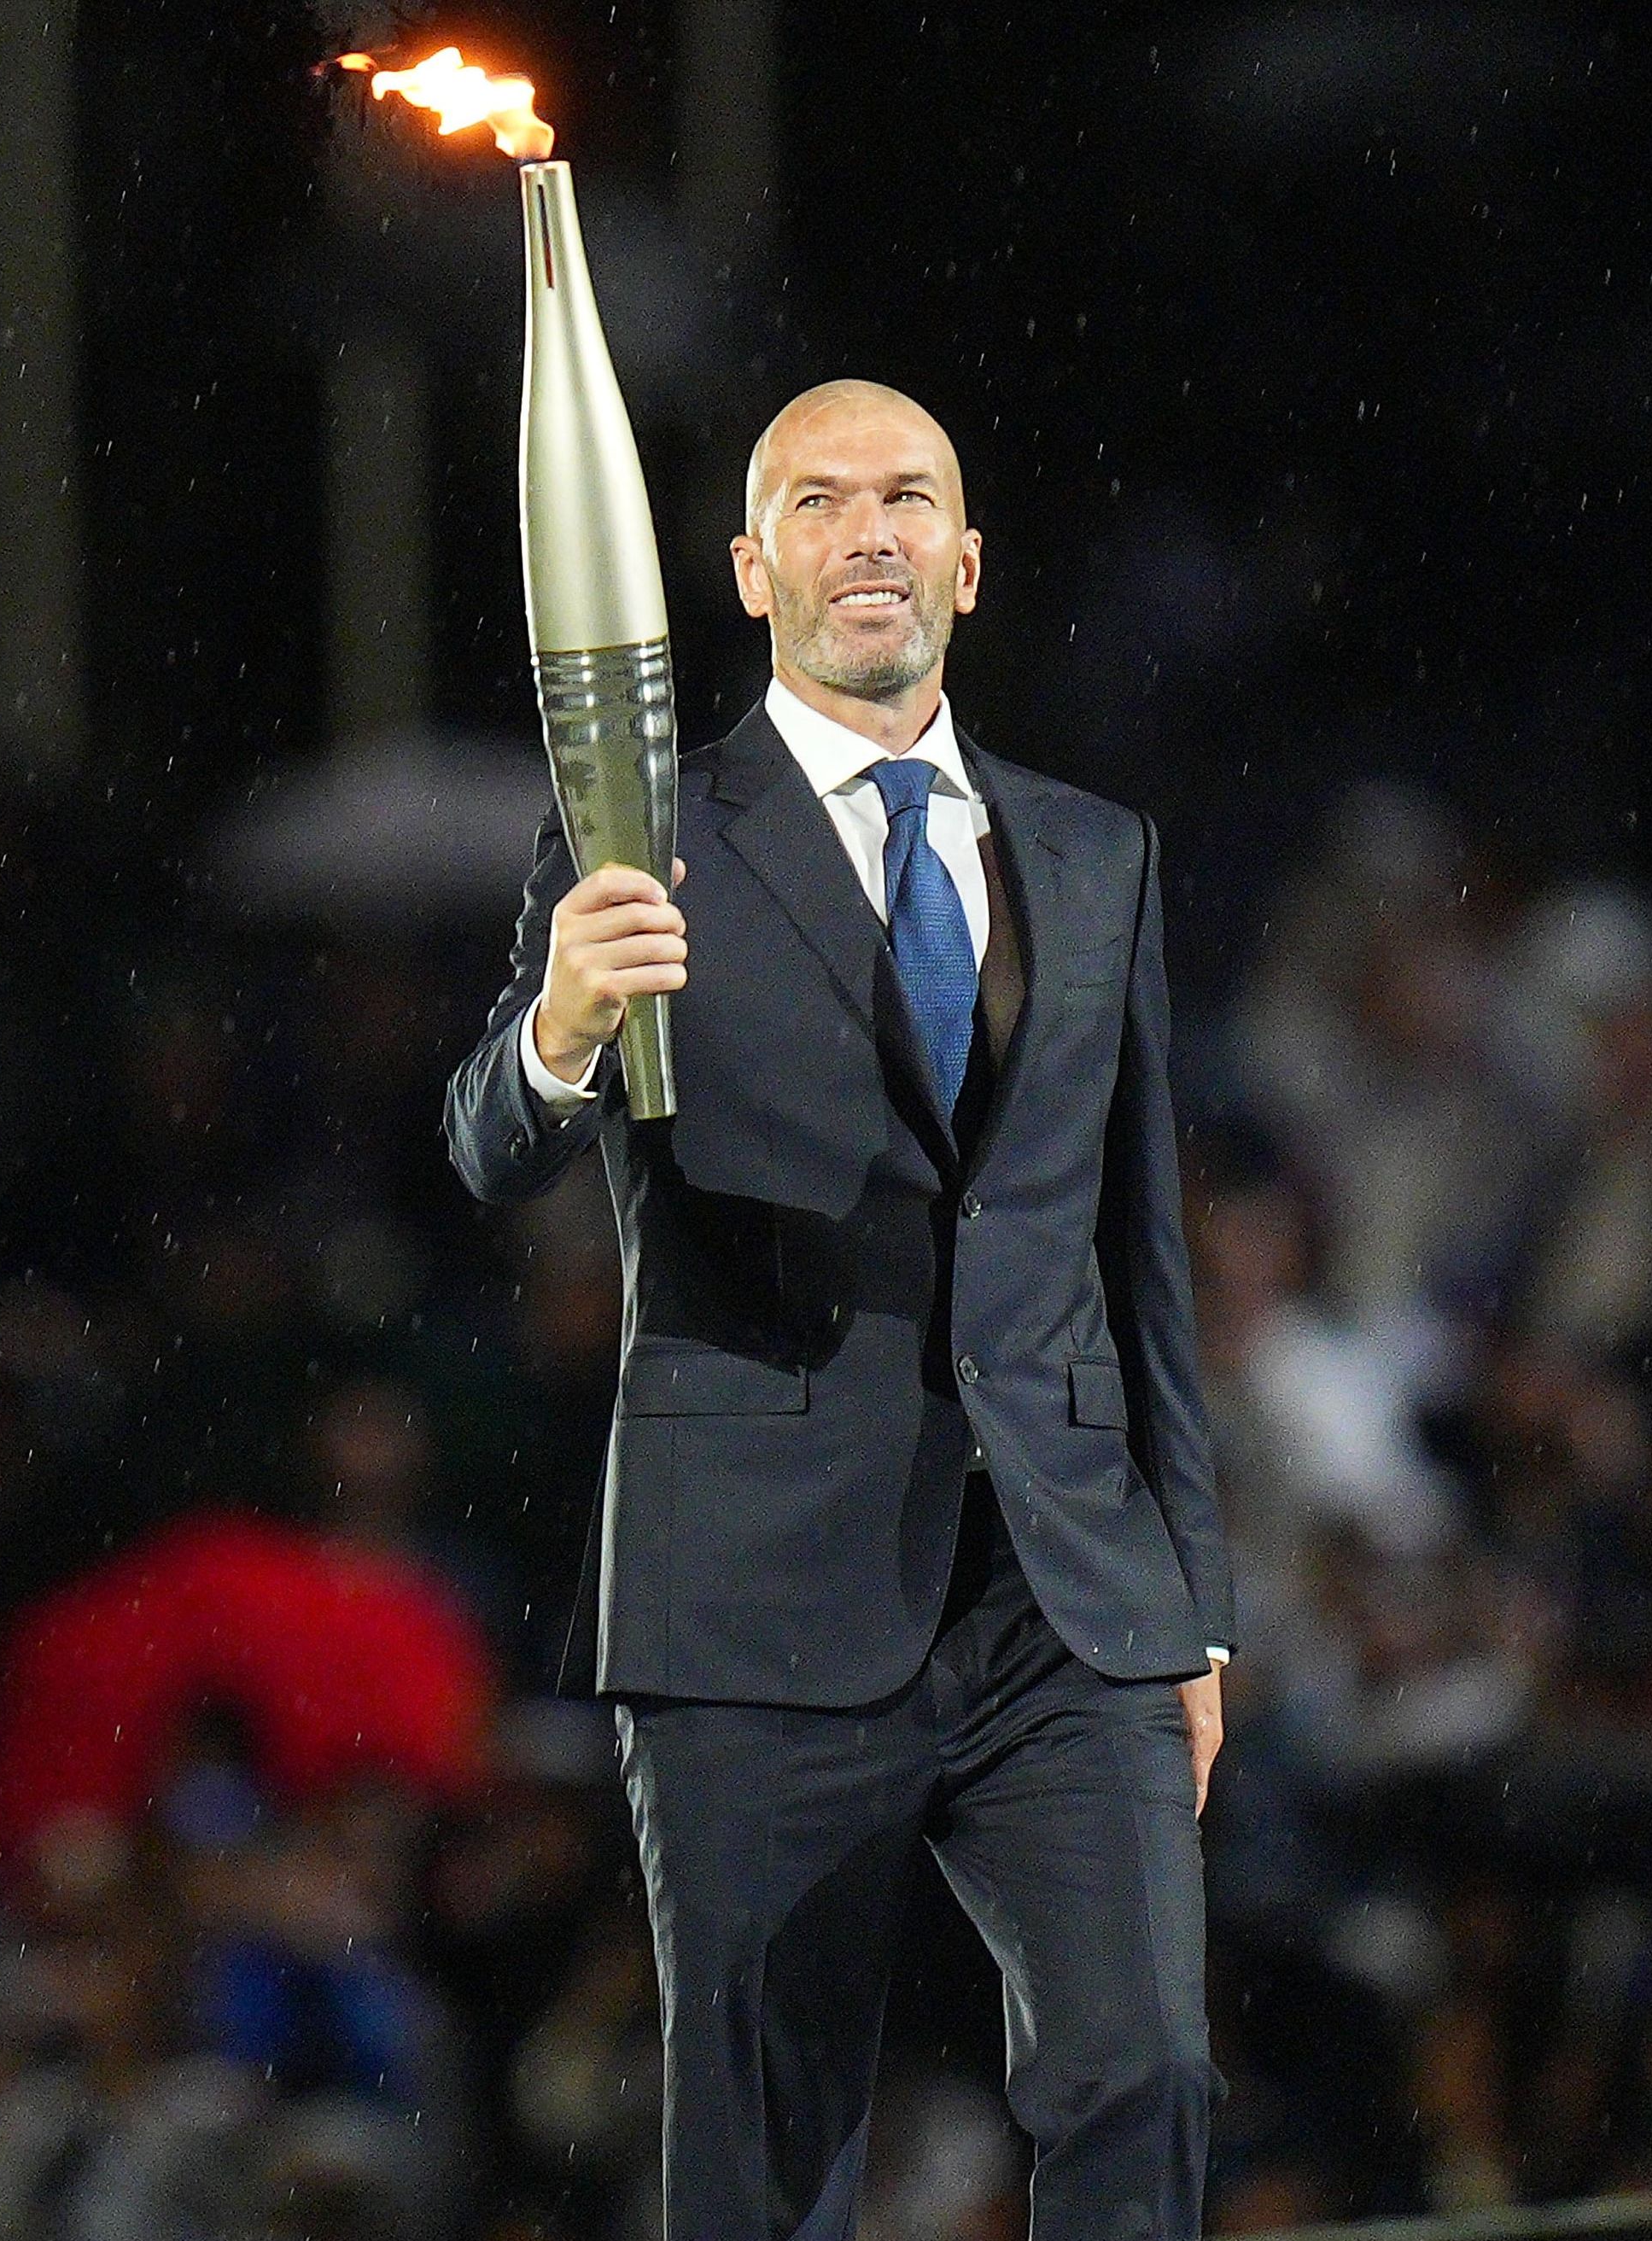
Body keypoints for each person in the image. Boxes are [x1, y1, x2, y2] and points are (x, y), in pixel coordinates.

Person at [443, 379, 1237, 2239]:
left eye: (907, 498)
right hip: (754, 1612)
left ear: (968, 558)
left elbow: (1145, 1258)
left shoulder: (1095, 853)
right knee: (769, 2159)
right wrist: (558, 1028)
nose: (867, 531)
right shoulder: (639, 838)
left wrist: (1190, 1603)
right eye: (817, 501)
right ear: (745, 566)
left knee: (1150, 2071)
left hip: (1065, 1595)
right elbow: (484, 1143)